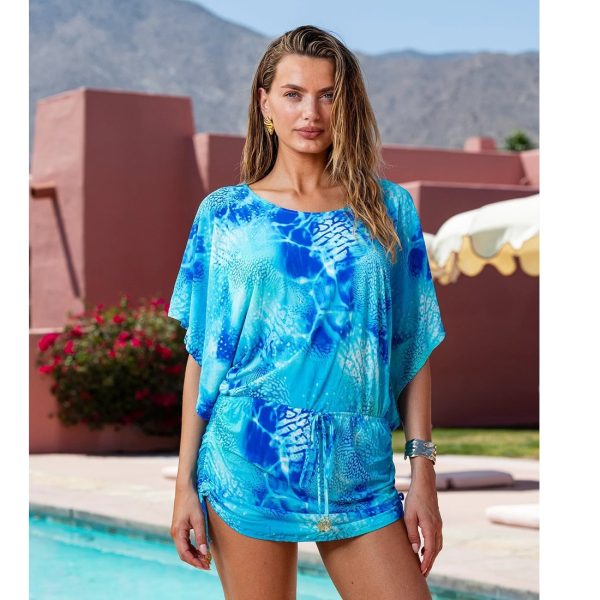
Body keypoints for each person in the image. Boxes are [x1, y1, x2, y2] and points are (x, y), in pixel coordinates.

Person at [169, 24, 446, 600]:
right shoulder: (225, 215)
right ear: (265, 103)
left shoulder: (388, 209)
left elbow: (412, 343)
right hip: (248, 456)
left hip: (359, 466)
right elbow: (204, 354)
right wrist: (183, 486)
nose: (311, 112)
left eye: (328, 95)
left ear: (347, 105)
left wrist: (422, 474)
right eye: (293, 94)